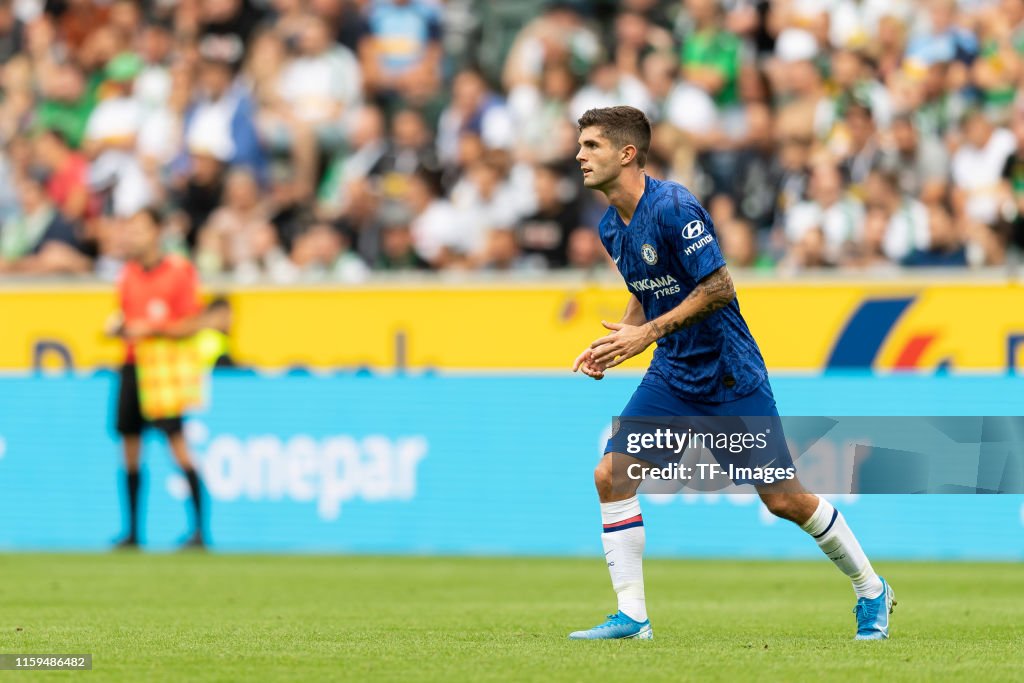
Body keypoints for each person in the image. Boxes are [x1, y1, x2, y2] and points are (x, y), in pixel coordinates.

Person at [568, 106, 894, 641]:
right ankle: (633, 618)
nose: (579, 155)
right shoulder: (610, 226)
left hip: (728, 375)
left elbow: (720, 287)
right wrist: (620, 342)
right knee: (611, 473)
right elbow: (643, 287)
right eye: (581, 145)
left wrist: (645, 334)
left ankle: (872, 590)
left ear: (627, 154)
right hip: (672, 374)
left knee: (784, 499)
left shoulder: (673, 205)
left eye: (592, 146)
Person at [110, 208, 208, 550]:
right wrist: (121, 329)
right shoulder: (127, 274)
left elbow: (193, 324)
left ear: (157, 232)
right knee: (130, 449)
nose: (132, 236)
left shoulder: (179, 273)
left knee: (178, 447)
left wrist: (152, 329)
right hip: (132, 366)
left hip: (162, 369)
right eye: (129, 229)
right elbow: (125, 317)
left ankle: (200, 530)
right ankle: (133, 533)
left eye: (139, 228)